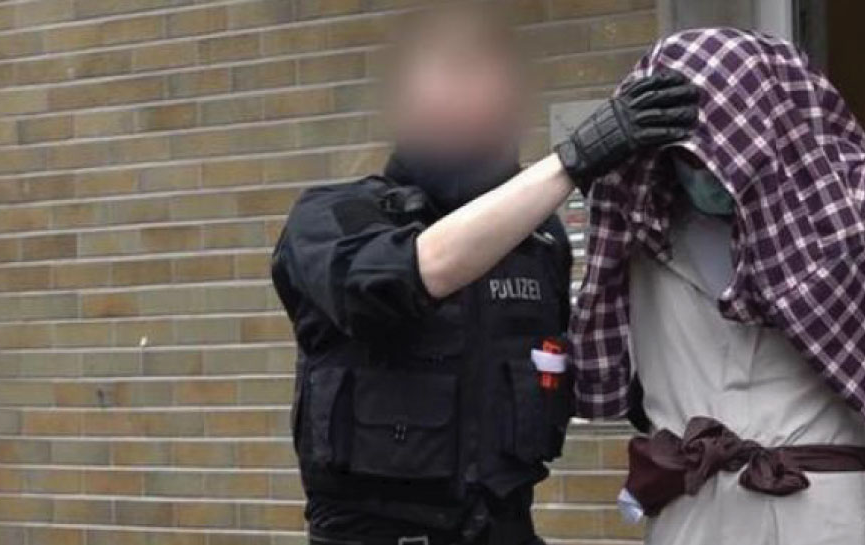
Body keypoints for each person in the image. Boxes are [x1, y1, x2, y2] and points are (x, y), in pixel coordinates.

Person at [269, 6, 699, 545]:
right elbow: (404, 277)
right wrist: (575, 160)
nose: (475, 94)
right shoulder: (332, 217)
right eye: (453, 70)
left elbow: (585, 370)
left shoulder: (540, 241)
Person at [573, 29, 865, 545]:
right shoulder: (638, 219)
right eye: (684, 156)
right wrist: (575, 158)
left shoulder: (860, 204)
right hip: (695, 516)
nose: (703, 171)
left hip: (826, 513)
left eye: (719, 149)